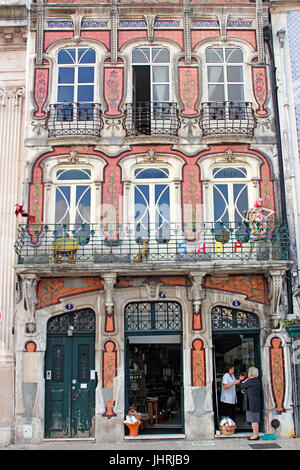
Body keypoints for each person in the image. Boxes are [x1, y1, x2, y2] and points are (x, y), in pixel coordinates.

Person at [240, 366, 261, 440]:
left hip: (252, 403)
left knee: (253, 420)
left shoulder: (251, 380)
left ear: (250, 374)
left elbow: (241, 385)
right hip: (255, 402)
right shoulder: (256, 380)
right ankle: (256, 434)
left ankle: (255, 435)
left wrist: (244, 380)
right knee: (254, 419)